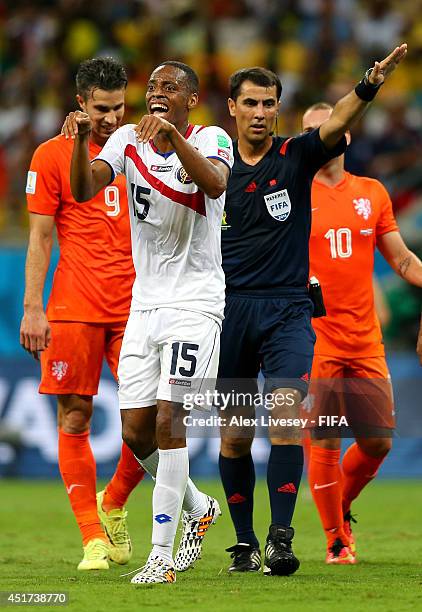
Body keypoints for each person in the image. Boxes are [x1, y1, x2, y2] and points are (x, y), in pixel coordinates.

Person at [217, 44, 408, 576]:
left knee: (285, 419)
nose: (260, 113)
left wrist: (368, 85)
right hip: (228, 311)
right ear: (232, 106)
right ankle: (244, 541)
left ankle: (281, 537)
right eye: (251, 103)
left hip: (288, 311)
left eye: (269, 103)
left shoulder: (295, 156)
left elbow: (340, 121)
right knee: (234, 434)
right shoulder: (212, 170)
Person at [62, 61, 233, 584]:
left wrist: (175, 138)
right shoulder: (127, 142)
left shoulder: (210, 138)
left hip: (195, 304)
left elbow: (213, 183)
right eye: (154, 87)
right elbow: (85, 188)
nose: (158, 94)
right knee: (136, 433)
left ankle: (162, 557)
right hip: (145, 305)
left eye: (170, 88)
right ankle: (198, 506)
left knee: (168, 421)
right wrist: (82, 142)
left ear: (191, 100)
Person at [20, 58, 146, 570]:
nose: (111, 119)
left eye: (118, 108)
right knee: (75, 416)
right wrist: (34, 306)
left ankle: (113, 500)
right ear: (81, 104)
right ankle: (93, 537)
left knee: (152, 421)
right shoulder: (51, 156)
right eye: (101, 109)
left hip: (140, 303)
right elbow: (40, 235)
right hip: (75, 305)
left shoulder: (144, 148)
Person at [303, 102, 422, 564]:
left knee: (378, 442)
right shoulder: (291, 194)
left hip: (365, 337)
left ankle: (339, 505)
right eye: (311, 133)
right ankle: (336, 540)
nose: (322, 138)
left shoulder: (372, 193)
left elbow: (404, 260)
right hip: (317, 337)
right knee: (327, 437)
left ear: (347, 135)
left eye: (329, 129)